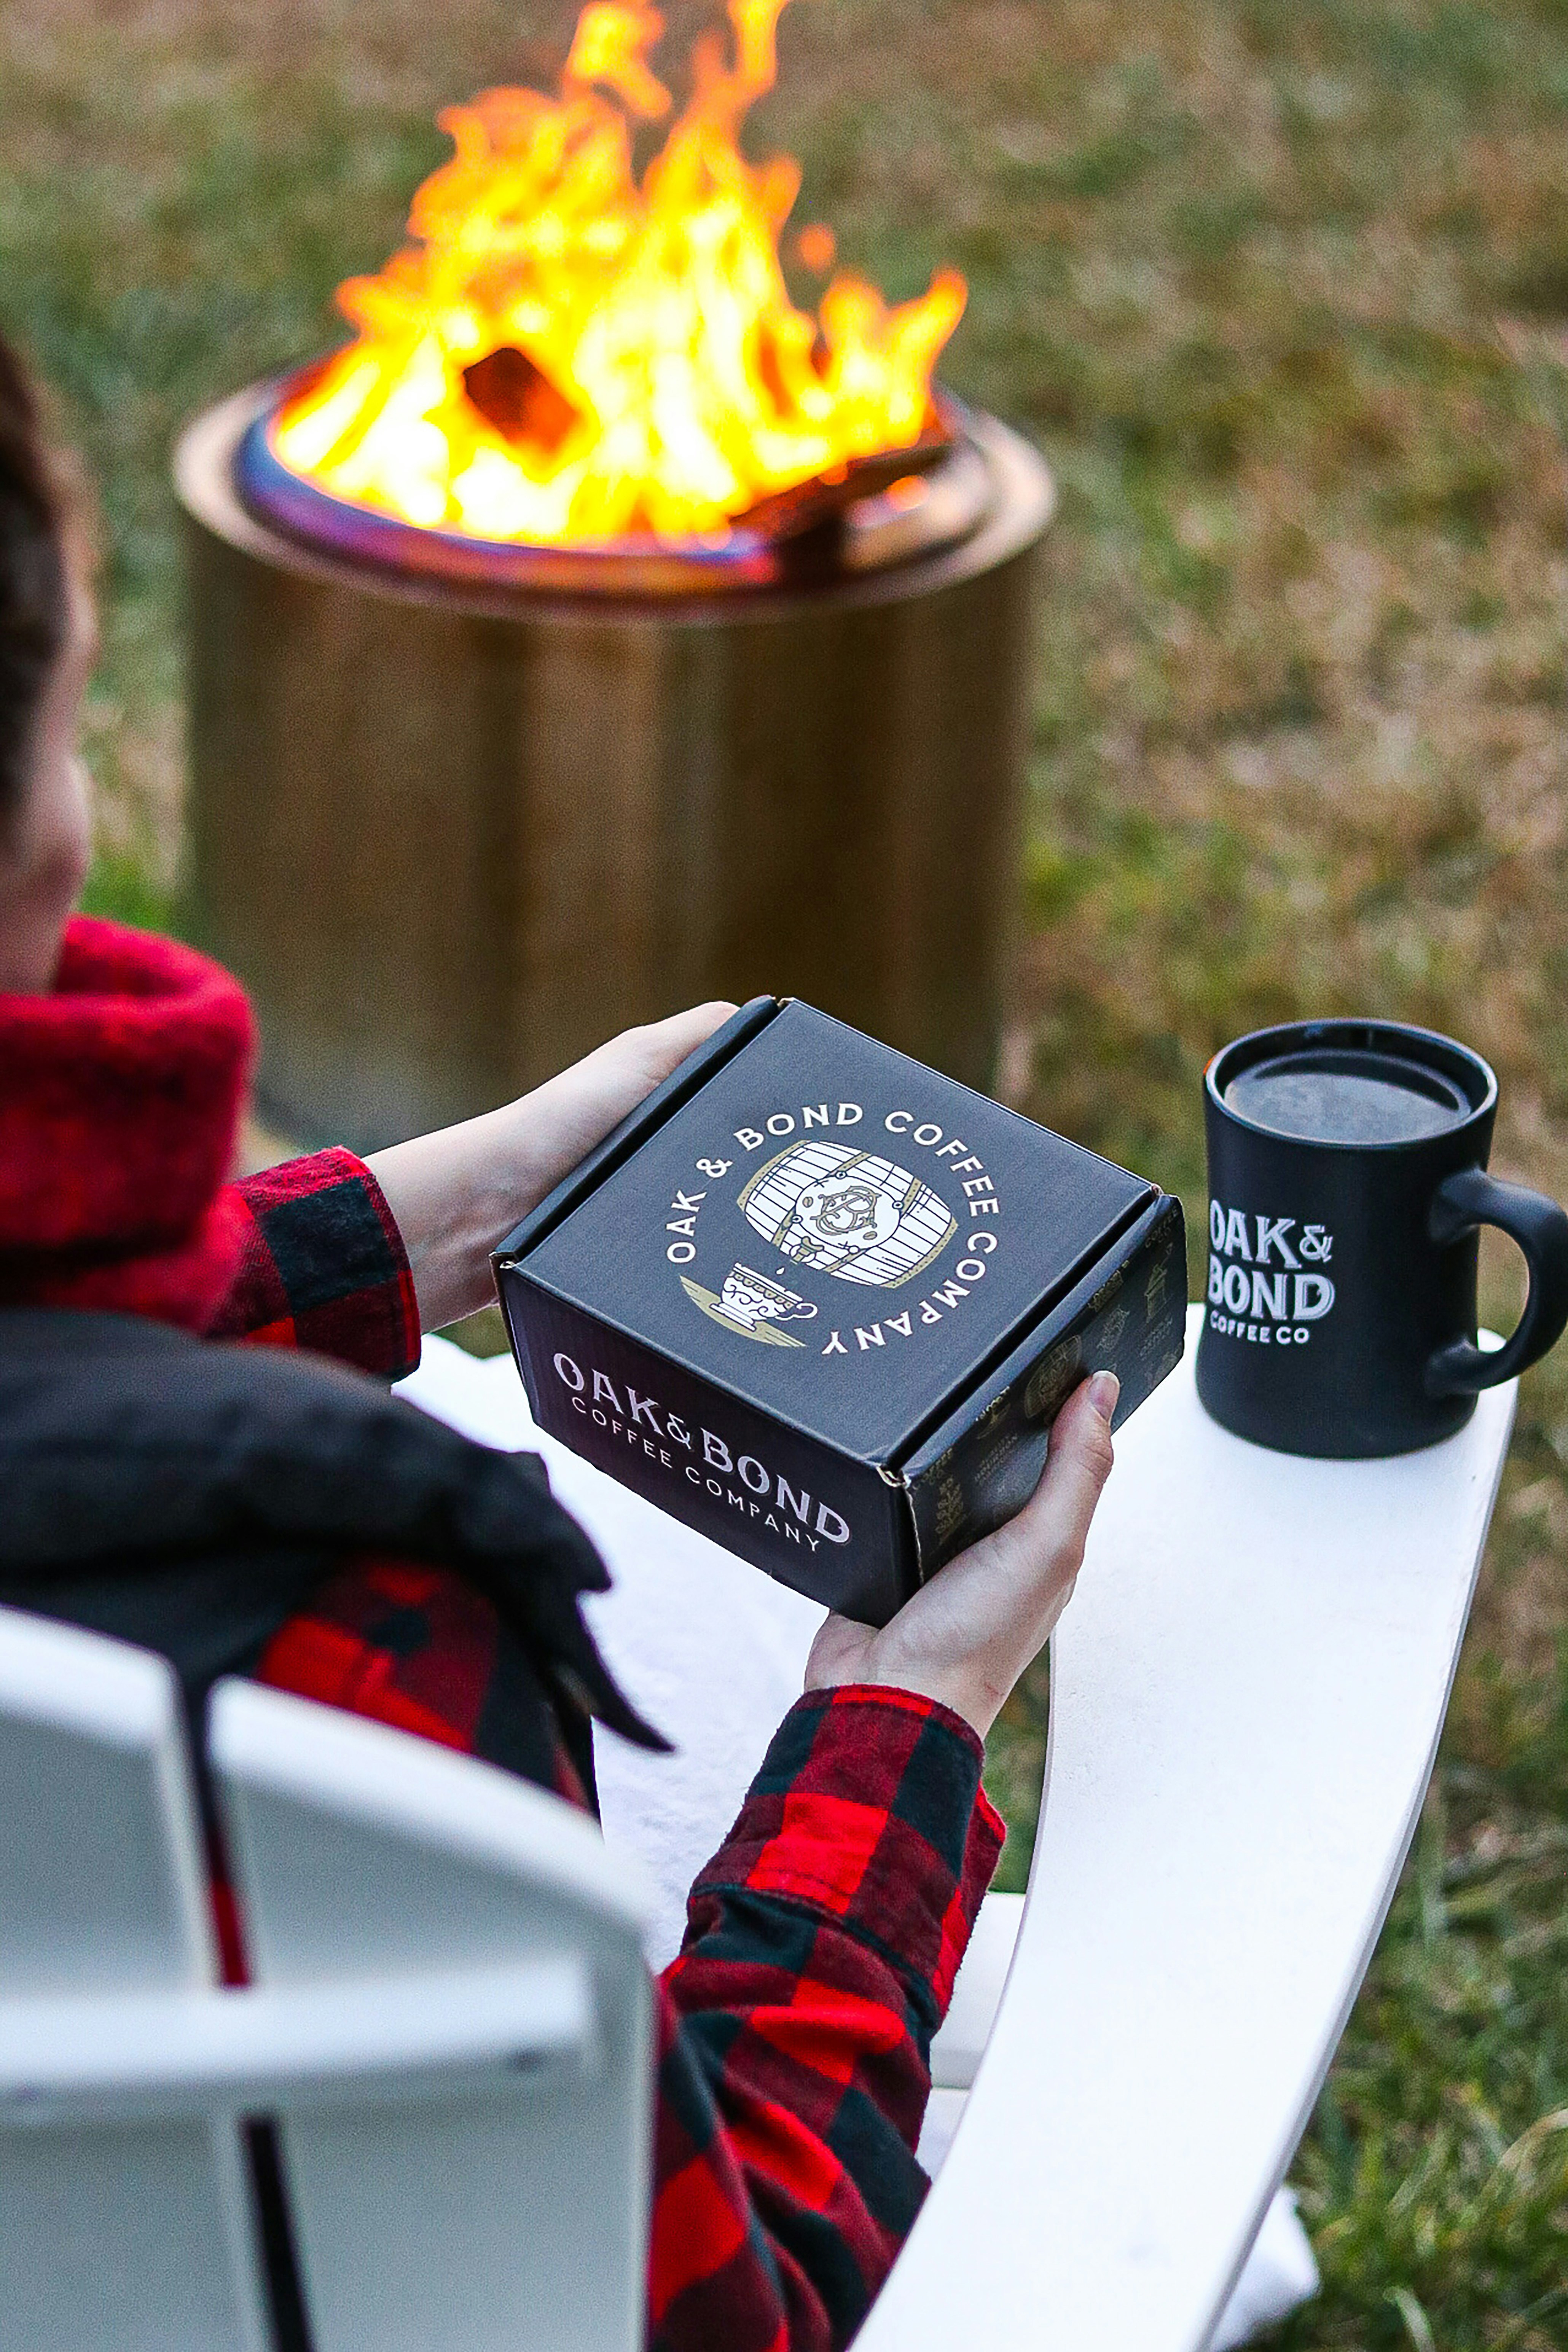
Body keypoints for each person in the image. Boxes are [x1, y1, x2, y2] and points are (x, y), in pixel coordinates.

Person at [0, 326, 1119, 2352]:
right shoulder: (331, 1627)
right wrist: (907, 1712)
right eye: (73, 723)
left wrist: (432, 1221)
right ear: (38, 845)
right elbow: (719, 2307)